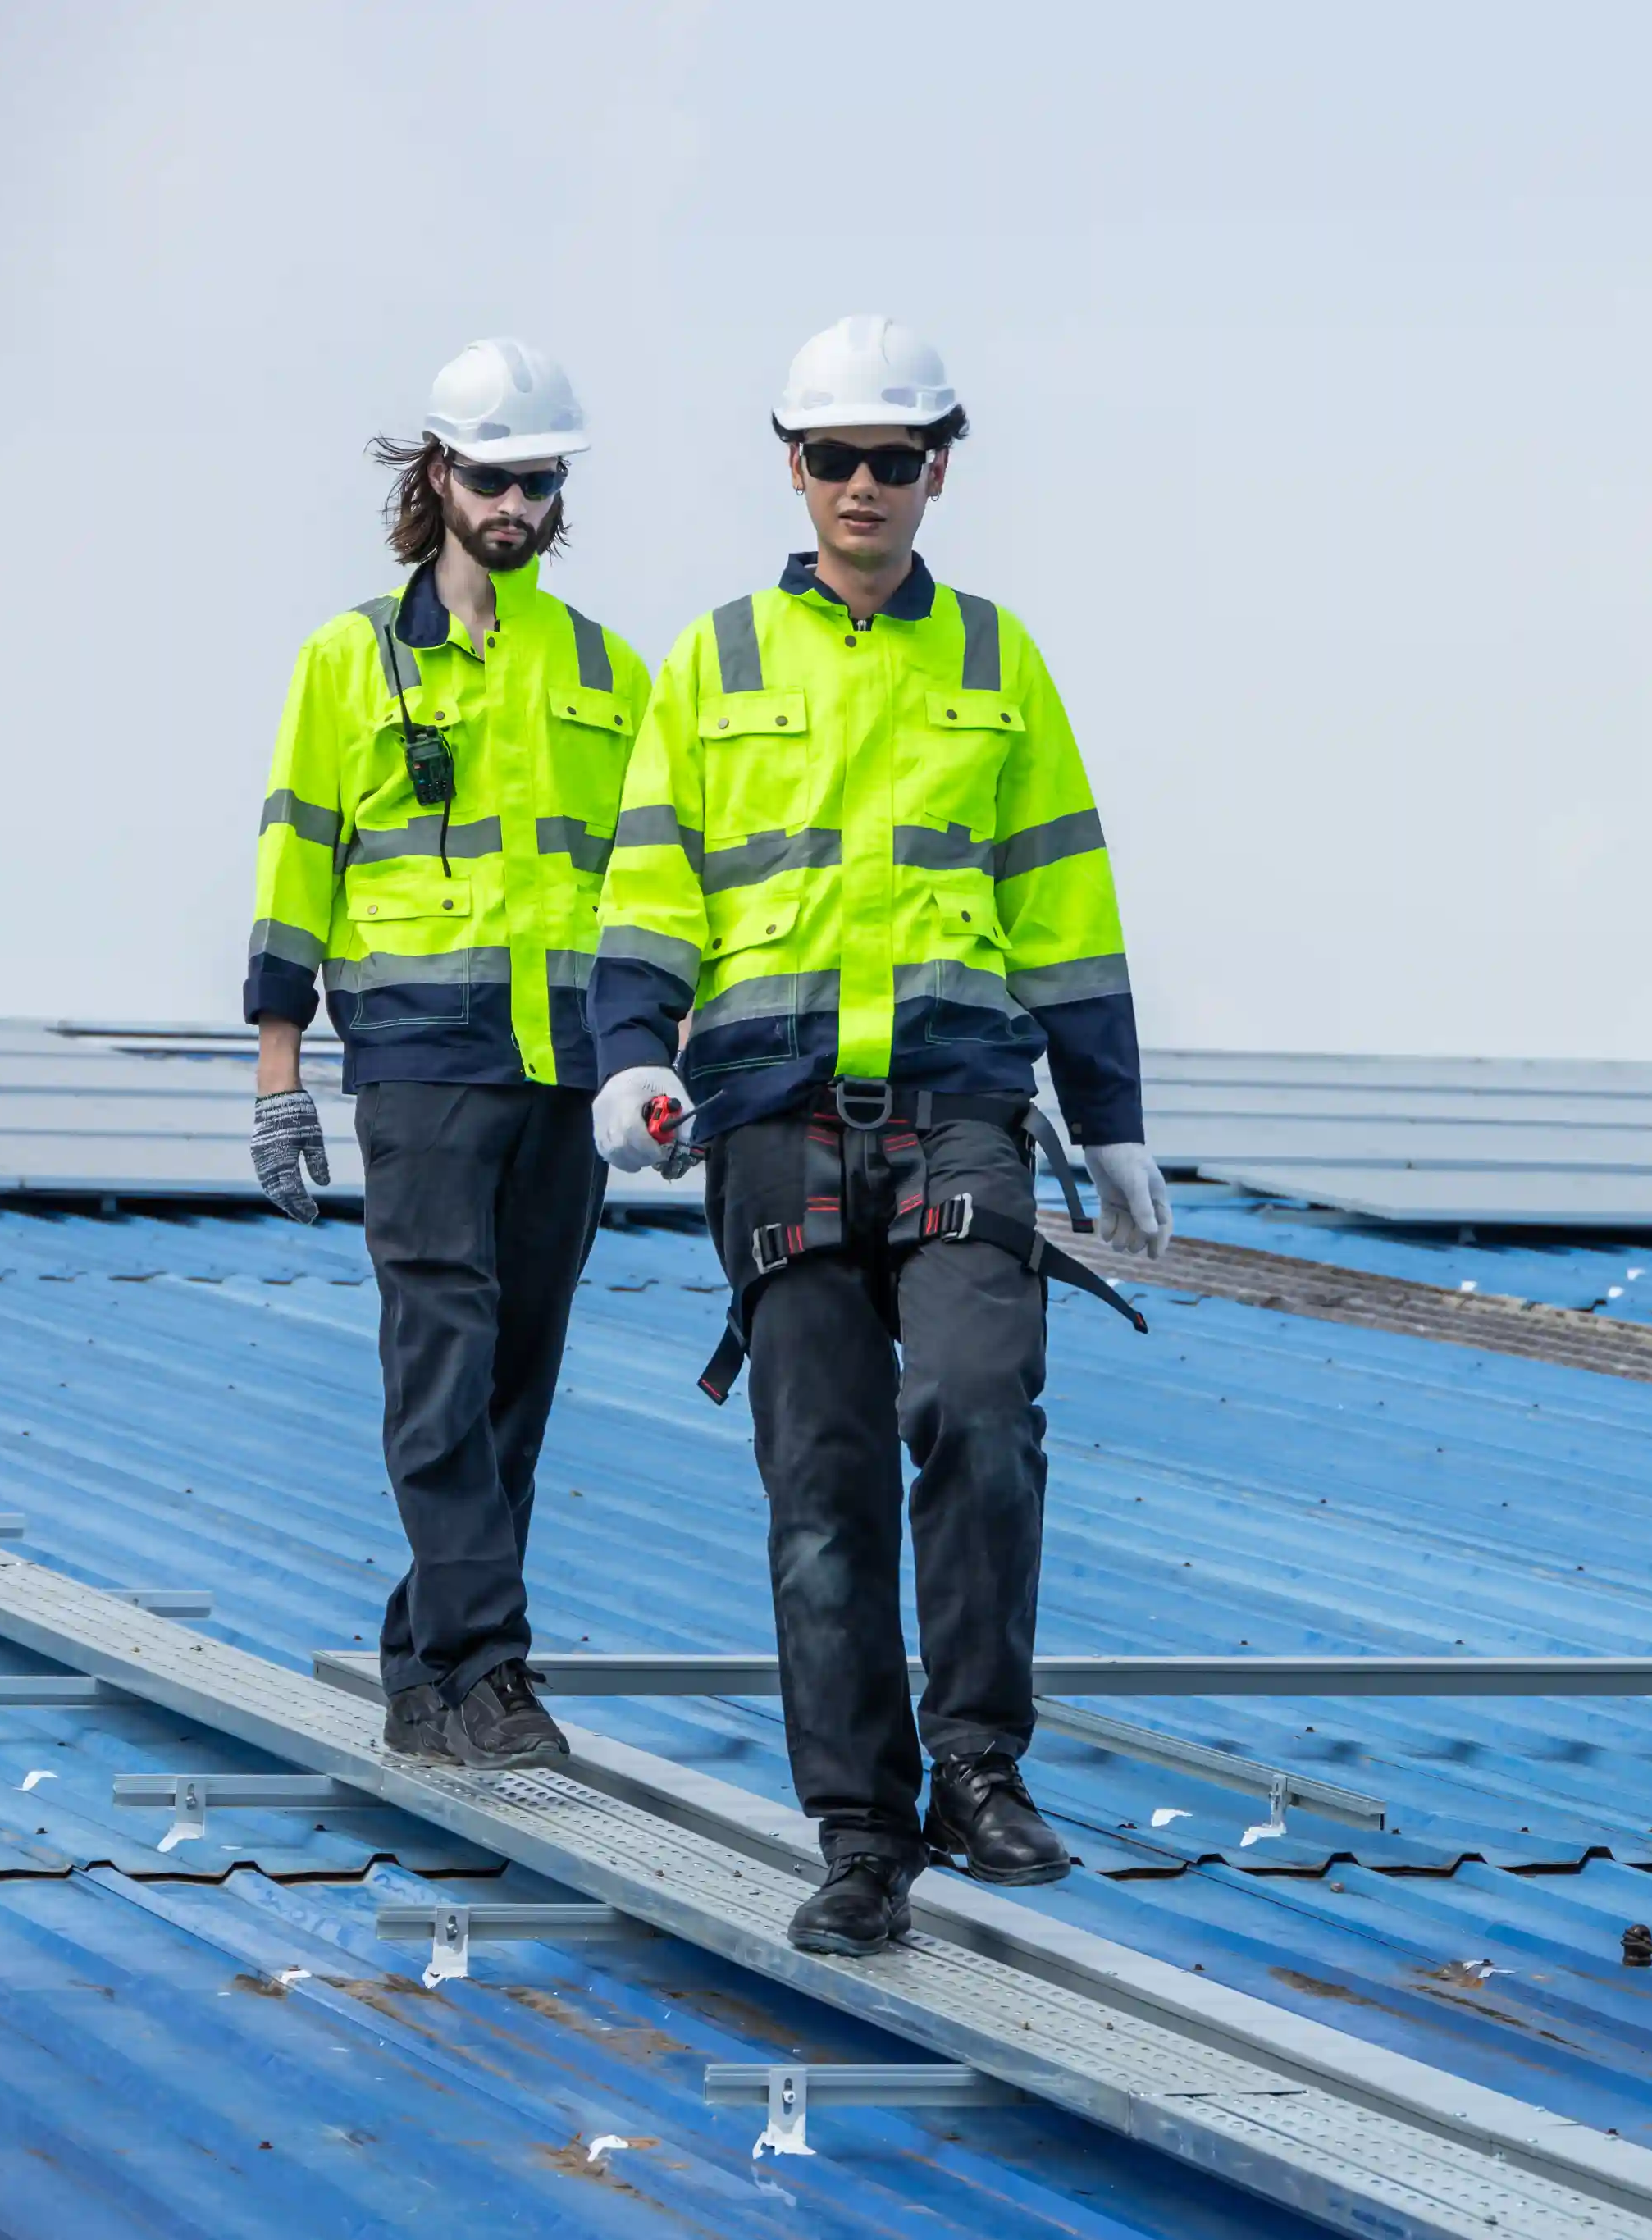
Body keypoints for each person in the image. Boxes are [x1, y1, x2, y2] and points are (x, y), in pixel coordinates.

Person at [586, 313, 1171, 1954]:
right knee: (820, 1483)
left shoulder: (997, 662)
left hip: (962, 1110)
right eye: (832, 457)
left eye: (892, 460)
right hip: (769, 1118)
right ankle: (859, 1836)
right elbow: (647, 890)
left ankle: (977, 1767)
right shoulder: (712, 663)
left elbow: (1063, 902)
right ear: (791, 463)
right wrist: (627, 1060)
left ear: (936, 471)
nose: (861, 485)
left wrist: (1110, 1119)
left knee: (979, 1407)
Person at [244, 338, 651, 1771]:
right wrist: (278, 1080)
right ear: (437, 474)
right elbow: (297, 869)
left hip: (565, 1071)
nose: (517, 504)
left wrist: (656, 1066)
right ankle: (491, 1666)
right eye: (493, 476)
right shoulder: (347, 661)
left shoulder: (610, 672)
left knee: (513, 1381)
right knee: (443, 1357)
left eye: (541, 481)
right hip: (417, 1068)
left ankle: (421, 1670)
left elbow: (654, 889)